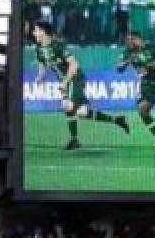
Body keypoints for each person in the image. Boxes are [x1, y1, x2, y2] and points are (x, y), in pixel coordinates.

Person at [30, 21, 129, 150]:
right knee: (78, 111)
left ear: (43, 32)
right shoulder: (39, 48)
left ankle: (75, 139)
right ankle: (116, 121)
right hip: (65, 81)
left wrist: (65, 82)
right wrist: (40, 77)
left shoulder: (58, 46)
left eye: (36, 30)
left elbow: (74, 65)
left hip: (75, 78)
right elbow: (42, 64)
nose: (33, 33)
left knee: (68, 106)